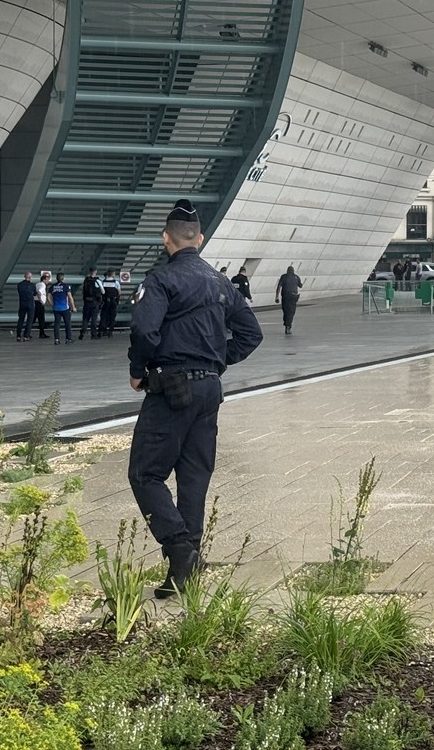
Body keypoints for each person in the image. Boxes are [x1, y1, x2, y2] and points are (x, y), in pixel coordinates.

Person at [128, 198, 263, 597]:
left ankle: (178, 546)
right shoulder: (221, 282)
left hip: (170, 388)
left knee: (145, 474)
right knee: (194, 476)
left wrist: (138, 371)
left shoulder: (160, 280)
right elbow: (251, 335)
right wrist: (218, 362)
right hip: (209, 389)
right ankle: (186, 569)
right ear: (199, 239)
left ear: (165, 238)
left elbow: (144, 332)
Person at [274, 265, 303, 335]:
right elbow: (300, 286)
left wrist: (277, 297)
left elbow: (279, 287)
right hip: (293, 296)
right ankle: (288, 326)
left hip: (285, 296)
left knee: (285, 311)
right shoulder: (296, 277)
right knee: (292, 312)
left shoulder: (283, 277)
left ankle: (287, 324)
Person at [50, 272, 75, 344]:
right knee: (67, 324)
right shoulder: (66, 286)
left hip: (56, 308)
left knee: (57, 324)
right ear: (63, 278)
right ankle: (68, 339)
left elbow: (48, 296)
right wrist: (73, 307)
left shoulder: (53, 286)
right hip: (65, 308)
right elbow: (70, 297)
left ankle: (56, 339)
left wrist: (52, 304)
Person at [80, 267, 104, 339]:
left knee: (85, 318)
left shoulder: (86, 280)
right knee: (94, 319)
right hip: (94, 302)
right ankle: (93, 334)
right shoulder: (97, 281)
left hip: (86, 302)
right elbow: (103, 291)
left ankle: (82, 333)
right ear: (96, 271)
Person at [16, 272, 36, 341]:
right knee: (29, 320)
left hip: (22, 304)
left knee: (21, 319)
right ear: (30, 277)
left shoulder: (19, 285)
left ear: (24, 276)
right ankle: (26, 335)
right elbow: (34, 293)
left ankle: (18, 335)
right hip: (30, 303)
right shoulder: (32, 285)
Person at [101, 269, 122, 337]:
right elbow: (119, 292)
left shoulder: (103, 282)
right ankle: (110, 331)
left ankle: (104, 330)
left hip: (105, 301)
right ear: (113, 274)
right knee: (112, 316)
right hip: (113, 302)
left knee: (104, 316)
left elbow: (102, 292)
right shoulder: (116, 282)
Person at [34, 272, 50, 339]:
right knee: (41, 319)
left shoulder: (37, 284)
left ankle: (27, 332)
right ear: (44, 279)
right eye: (47, 279)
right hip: (39, 304)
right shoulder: (43, 285)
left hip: (35, 302)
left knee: (33, 318)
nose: (48, 281)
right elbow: (39, 292)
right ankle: (42, 333)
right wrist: (41, 300)